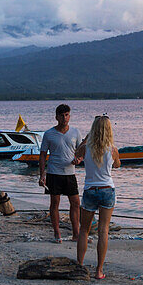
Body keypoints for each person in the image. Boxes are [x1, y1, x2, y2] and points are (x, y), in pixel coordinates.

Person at [75, 115, 120, 279]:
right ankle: (99, 270)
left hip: (90, 190)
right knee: (103, 230)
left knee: (84, 230)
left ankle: (79, 265)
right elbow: (117, 165)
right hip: (107, 189)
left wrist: (85, 139)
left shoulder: (86, 147)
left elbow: (76, 154)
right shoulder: (113, 149)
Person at [38, 104, 82, 244]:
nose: (64, 118)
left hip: (70, 173)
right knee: (55, 203)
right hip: (53, 173)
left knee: (75, 203)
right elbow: (43, 155)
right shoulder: (49, 134)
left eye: (67, 115)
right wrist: (42, 175)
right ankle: (57, 233)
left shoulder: (75, 132)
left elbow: (81, 150)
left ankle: (76, 233)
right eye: (62, 115)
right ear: (56, 117)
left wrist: (79, 159)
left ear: (69, 116)